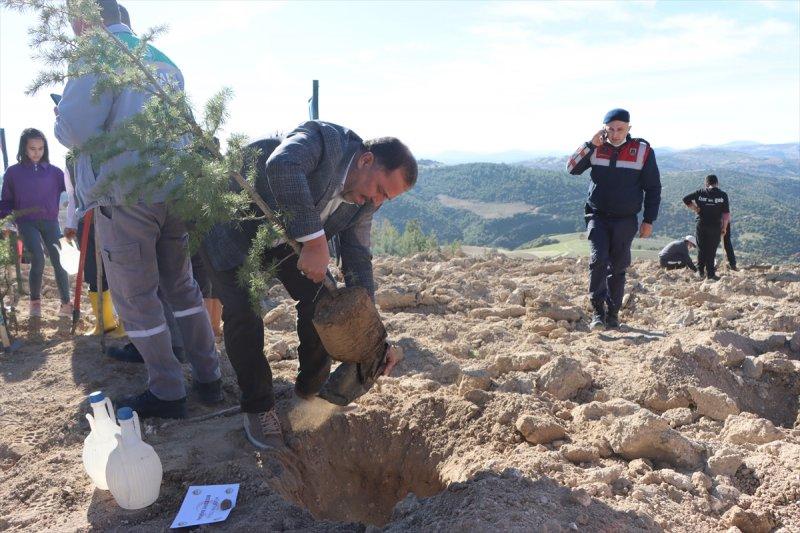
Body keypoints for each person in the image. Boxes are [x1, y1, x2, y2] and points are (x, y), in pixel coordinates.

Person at [202, 122, 416, 450]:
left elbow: (358, 259)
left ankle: (308, 392)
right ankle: (259, 408)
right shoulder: (324, 141)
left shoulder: (363, 203)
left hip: (288, 239)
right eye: (380, 190)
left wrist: (372, 335)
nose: (377, 201)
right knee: (243, 312)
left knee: (321, 301)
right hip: (233, 226)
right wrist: (316, 241)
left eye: (386, 198)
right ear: (366, 161)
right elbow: (282, 165)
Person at [55, 0, 221, 419]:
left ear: (85, 19)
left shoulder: (94, 51)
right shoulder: (161, 58)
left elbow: (75, 129)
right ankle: (209, 376)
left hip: (125, 192)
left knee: (136, 297)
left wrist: (59, 121)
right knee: (182, 287)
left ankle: (168, 391)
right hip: (174, 189)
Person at [567, 108, 662, 330]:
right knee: (598, 259)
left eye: (620, 129)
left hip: (625, 219)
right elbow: (571, 168)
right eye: (611, 129)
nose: (615, 133)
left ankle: (613, 313)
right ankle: (598, 312)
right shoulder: (596, 148)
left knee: (618, 267)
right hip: (597, 215)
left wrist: (649, 220)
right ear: (604, 128)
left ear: (629, 128)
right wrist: (590, 145)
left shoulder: (643, 151)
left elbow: (653, 188)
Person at [0, 128, 72, 317]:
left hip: (50, 221)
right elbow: (6, 201)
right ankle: (35, 303)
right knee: (38, 259)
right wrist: (6, 219)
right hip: (26, 222)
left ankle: (66, 304)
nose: (36, 152)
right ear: (24, 148)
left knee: (59, 260)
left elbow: (72, 189)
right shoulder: (13, 173)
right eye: (32, 148)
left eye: (40, 148)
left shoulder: (54, 172)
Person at [682, 174, 730, 281]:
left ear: (706, 183)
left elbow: (685, 199)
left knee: (702, 249)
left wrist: (696, 209)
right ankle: (711, 274)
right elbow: (726, 214)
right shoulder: (723, 195)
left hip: (702, 224)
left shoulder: (700, 193)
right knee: (711, 250)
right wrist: (724, 228)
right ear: (717, 183)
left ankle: (700, 272)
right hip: (715, 226)